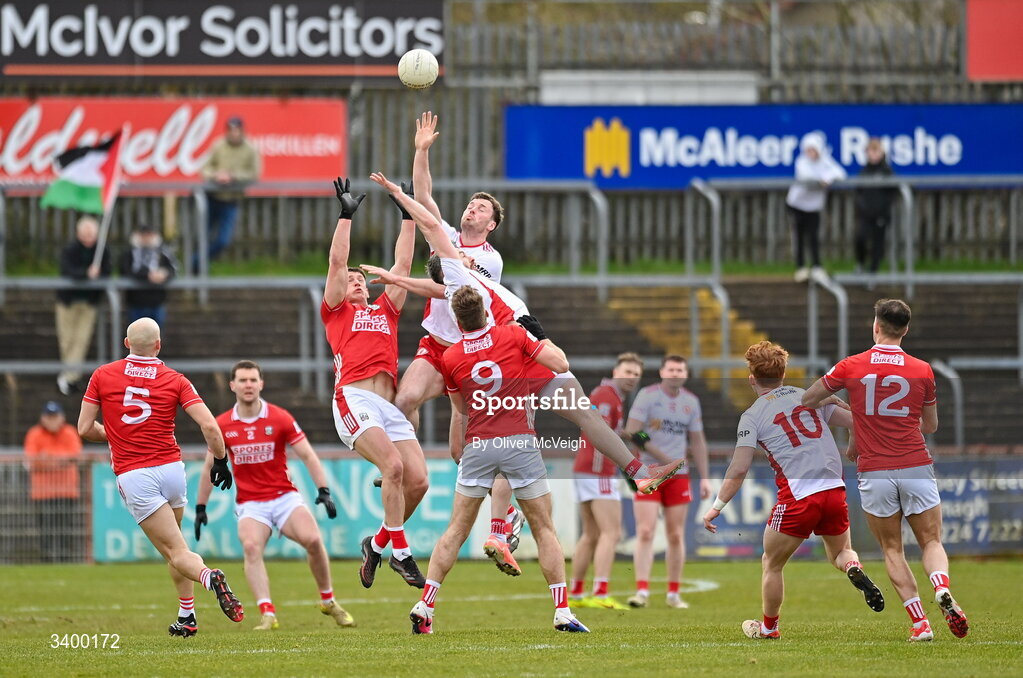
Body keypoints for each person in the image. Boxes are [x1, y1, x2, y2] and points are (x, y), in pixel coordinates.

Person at [368, 171, 686, 502]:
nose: (464, 254)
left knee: (566, 418)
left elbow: (430, 278)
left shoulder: (457, 282)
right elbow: (432, 226)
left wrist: (395, 278)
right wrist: (397, 194)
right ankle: (506, 520)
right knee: (547, 422)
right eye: (458, 255)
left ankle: (635, 474)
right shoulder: (458, 271)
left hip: (512, 349)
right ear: (452, 263)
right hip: (520, 345)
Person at [409, 284, 589, 634]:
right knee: (544, 527)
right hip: (519, 441)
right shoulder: (512, 334)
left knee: (456, 530)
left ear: (458, 323)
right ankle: (562, 610)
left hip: (478, 445)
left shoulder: (451, 357)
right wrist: (541, 336)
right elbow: (561, 363)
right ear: (487, 312)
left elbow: (461, 410)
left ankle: (425, 603)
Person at [388, 112, 521, 554]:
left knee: (462, 453)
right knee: (403, 401)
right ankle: (403, 465)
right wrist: (421, 150)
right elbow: (423, 196)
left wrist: (454, 265)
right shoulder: (445, 234)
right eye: (471, 204)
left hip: (468, 353)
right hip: (434, 346)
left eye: (482, 208)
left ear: (491, 224)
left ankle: (508, 516)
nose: (472, 209)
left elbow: (458, 283)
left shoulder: (491, 259)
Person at [802, 299, 968, 642]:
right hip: (915, 465)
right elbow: (931, 426)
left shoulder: (851, 365)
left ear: (875, 326)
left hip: (874, 470)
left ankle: (920, 624)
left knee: (893, 549)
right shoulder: (922, 369)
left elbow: (808, 399)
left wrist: (841, 405)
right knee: (931, 540)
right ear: (905, 330)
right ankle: (941, 587)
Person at [703, 341, 885, 641]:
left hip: (799, 496)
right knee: (840, 551)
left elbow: (738, 469)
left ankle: (769, 629)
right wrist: (850, 436)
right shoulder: (808, 397)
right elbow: (857, 421)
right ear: (783, 374)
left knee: (771, 563)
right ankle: (853, 566)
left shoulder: (751, 416)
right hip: (834, 489)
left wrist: (716, 507)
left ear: (751, 378)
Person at [77, 317, 244, 637]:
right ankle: (187, 616)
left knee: (176, 553)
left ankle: (211, 578)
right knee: (178, 545)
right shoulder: (175, 379)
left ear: (126, 343)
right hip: (171, 470)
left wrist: (114, 435)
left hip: (135, 474)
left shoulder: (102, 374)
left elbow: (84, 429)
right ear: (158, 345)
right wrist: (221, 460)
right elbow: (210, 426)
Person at [321, 177, 428, 590]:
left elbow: (401, 267)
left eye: (360, 278)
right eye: (352, 280)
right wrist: (346, 217)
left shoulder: (386, 310)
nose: (357, 281)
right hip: (354, 399)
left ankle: (377, 543)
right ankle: (401, 553)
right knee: (395, 467)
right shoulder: (336, 313)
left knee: (418, 480)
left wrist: (407, 214)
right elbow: (335, 264)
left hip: (389, 407)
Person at [195, 360, 354, 631]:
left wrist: (323, 490)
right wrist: (201, 507)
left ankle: (328, 601)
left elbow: (307, 454)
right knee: (251, 547)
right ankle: (267, 613)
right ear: (232, 385)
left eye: (253, 380)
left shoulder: (279, 417)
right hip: (251, 503)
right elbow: (210, 466)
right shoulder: (222, 424)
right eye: (243, 380)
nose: (248, 385)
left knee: (314, 540)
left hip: (284, 497)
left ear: (261, 384)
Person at [624, 354, 713, 609]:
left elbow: (697, 440)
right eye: (671, 369)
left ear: (685, 374)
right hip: (648, 472)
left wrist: (705, 477)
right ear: (662, 372)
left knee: (675, 534)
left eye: (680, 369)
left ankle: (673, 594)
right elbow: (632, 431)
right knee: (645, 530)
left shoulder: (691, 402)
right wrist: (665, 458)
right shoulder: (647, 396)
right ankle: (641, 591)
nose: (676, 373)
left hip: (678, 477)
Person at [569, 352, 645, 611]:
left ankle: (577, 593)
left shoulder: (608, 395)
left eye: (636, 374)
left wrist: (627, 436)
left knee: (591, 534)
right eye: (627, 371)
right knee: (611, 533)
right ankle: (600, 592)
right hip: (598, 470)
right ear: (616, 371)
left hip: (584, 469)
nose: (631, 378)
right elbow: (596, 429)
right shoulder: (606, 396)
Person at [56, 215, 112, 395]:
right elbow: (67, 270)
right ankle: (69, 376)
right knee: (67, 340)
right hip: (68, 302)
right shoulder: (70, 249)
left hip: (89, 302)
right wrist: (86, 273)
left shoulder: (103, 250)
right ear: (78, 233)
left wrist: (97, 274)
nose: (88, 236)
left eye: (91, 232)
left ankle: (69, 377)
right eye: (85, 232)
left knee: (81, 339)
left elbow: (107, 273)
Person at [196, 116, 261, 270]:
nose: (234, 134)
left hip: (232, 200)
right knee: (203, 237)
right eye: (231, 130)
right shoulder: (218, 145)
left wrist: (233, 176)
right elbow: (204, 168)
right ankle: (198, 267)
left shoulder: (250, 149)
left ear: (242, 131)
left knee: (223, 240)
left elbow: (254, 173)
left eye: (237, 130)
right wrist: (216, 175)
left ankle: (196, 263)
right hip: (212, 198)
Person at [23, 400, 83, 562]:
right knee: (45, 531)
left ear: (62, 417)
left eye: (55, 416)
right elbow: (32, 462)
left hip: (67, 492)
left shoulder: (69, 432)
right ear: (42, 418)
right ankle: (46, 561)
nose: (52, 420)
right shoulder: (34, 433)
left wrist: (47, 458)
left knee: (66, 530)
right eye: (49, 417)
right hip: (42, 493)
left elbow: (75, 456)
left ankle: (66, 561)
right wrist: (61, 460)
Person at [785, 132, 846, 283]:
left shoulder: (825, 161)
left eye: (813, 149)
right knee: (798, 236)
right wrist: (823, 178)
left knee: (813, 237)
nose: (811, 153)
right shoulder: (801, 162)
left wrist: (828, 177)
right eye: (808, 149)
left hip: (814, 207)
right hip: (797, 205)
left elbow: (840, 173)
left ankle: (817, 266)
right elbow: (806, 176)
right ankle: (800, 267)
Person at [853, 138, 898, 275]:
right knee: (860, 238)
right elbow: (858, 191)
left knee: (877, 244)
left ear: (881, 152)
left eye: (876, 151)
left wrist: (883, 208)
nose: (873, 155)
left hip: (880, 214)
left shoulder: (887, 171)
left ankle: (873, 273)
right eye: (870, 151)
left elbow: (893, 192)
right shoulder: (864, 171)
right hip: (865, 214)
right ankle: (860, 264)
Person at [119, 223, 177, 326]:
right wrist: (147, 275)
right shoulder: (129, 253)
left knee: (156, 334)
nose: (146, 238)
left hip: (157, 301)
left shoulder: (163, 252)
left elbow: (173, 269)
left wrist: (164, 274)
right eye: (143, 235)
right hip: (136, 301)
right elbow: (125, 270)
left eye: (149, 235)